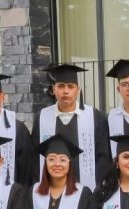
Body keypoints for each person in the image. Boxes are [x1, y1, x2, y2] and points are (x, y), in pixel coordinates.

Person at [35, 63, 111, 192]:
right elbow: (34, 157)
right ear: (53, 89)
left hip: (87, 191)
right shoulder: (42, 117)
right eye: (61, 86)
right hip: (52, 190)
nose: (66, 91)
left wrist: (98, 189)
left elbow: (103, 156)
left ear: (78, 90)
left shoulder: (94, 116)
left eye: (70, 86)